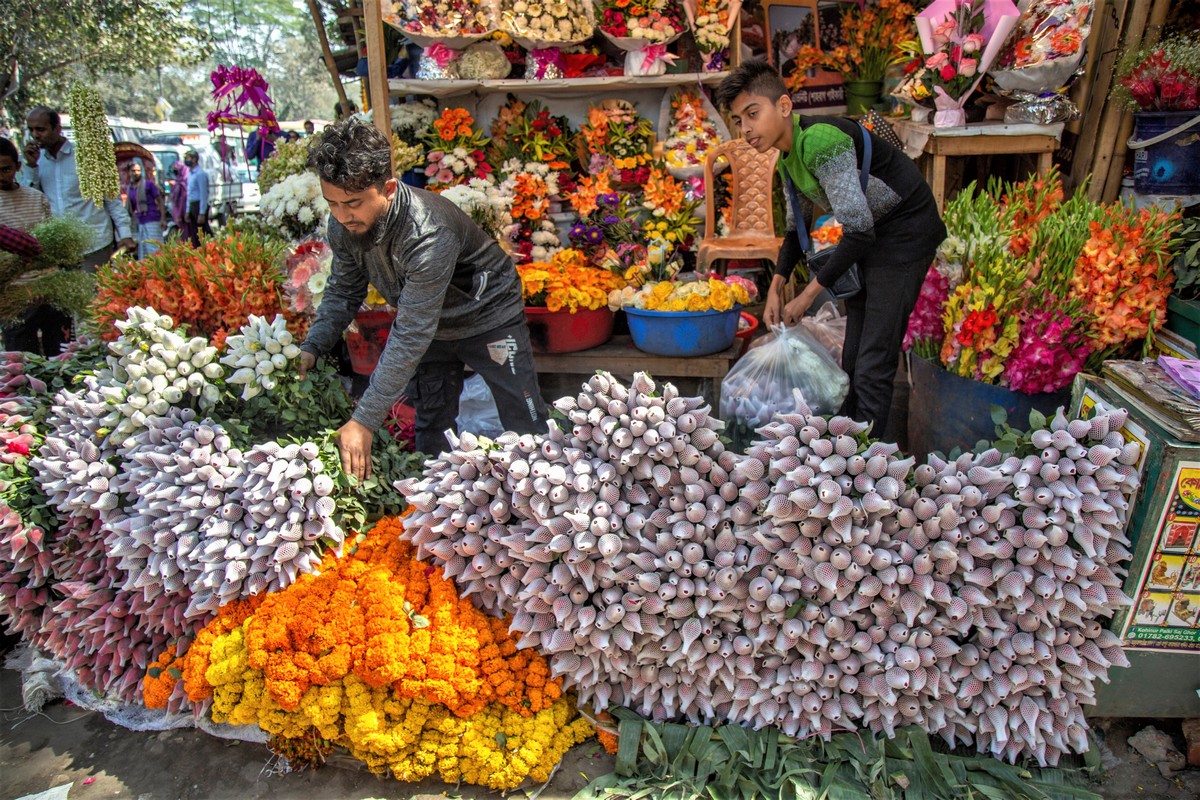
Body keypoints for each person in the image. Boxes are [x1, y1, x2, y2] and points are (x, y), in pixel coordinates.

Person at [298, 118, 547, 479]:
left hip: (488, 314)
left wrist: (364, 420)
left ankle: (541, 496)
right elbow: (342, 289)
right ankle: (436, 504)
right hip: (429, 323)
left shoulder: (427, 232)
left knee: (524, 419)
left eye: (352, 203)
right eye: (332, 203)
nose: (342, 215)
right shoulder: (344, 224)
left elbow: (412, 331)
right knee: (431, 421)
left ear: (387, 188)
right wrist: (313, 346)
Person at [716, 62, 946, 437]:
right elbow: (795, 231)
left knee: (874, 360)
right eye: (739, 120)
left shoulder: (822, 142)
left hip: (905, 233)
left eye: (753, 114)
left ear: (785, 106)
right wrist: (776, 286)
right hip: (872, 234)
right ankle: (847, 448)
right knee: (853, 356)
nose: (746, 130)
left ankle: (867, 462)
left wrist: (805, 297)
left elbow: (857, 232)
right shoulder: (789, 156)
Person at [22, 106, 135, 270]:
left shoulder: (87, 157)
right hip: (60, 248)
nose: (35, 135)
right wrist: (31, 166)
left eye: (41, 129)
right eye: (31, 130)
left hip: (94, 245)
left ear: (57, 129)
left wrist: (125, 233)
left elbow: (111, 198)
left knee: (96, 294)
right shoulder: (35, 161)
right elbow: (30, 198)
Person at [0, 135, 63, 355]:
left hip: (47, 290)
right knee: (20, 359)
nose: (0, 176)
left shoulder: (36, 198)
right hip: (13, 296)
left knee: (58, 354)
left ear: (18, 167)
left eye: (5, 169)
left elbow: (51, 246)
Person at [125, 158, 164, 258]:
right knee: (144, 250)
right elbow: (130, 207)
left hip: (152, 219)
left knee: (155, 248)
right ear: (129, 172)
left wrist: (163, 219)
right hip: (140, 221)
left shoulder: (149, 185)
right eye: (133, 171)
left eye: (138, 171)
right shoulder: (130, 188)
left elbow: (160, 201)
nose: (136, 173)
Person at [183, 150, 211, 246]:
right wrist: (187, 210)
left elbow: (204, 194)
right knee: (194, 233)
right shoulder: (190, 174)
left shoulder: (200, 174)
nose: (187, 160)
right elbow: (189, 193)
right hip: (192, 205)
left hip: (199, 205)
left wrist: (202, 212)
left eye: (189, 158)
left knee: (203, 232)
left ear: (195, 159)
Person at [169, 159, 190, 242]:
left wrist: (180, 214)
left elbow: (183, 200)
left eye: (177, 170)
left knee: (186, 234)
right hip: (177, 212)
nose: (176, 172)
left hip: (182, 213)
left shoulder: (184, 183)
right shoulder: (178, 181)